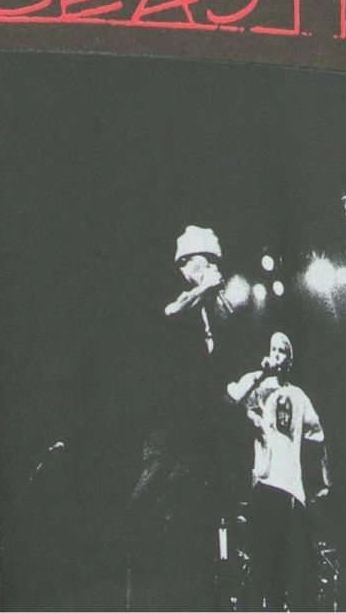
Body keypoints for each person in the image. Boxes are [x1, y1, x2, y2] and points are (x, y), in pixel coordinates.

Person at [128, 225, 233, 610]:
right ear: (189, 263)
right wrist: (204, 290)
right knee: (148, 508)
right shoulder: (171, 291)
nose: (214, 271)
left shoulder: (209, 309)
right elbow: (170, 313)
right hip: (166, 428)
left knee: (194, 522)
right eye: (207, 263)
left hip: (196, 435)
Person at [226, 332, 330, 611]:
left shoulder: (299, 396)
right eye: (273, 349)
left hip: (291, 490)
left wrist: (323, 482)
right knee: (261, 566)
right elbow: (232, 398)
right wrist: (261, 374)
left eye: (282, 351)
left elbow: (319, 436)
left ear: (290, 360)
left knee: (288, 568)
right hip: (265, 484)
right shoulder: (259, 387)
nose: (276, 355)